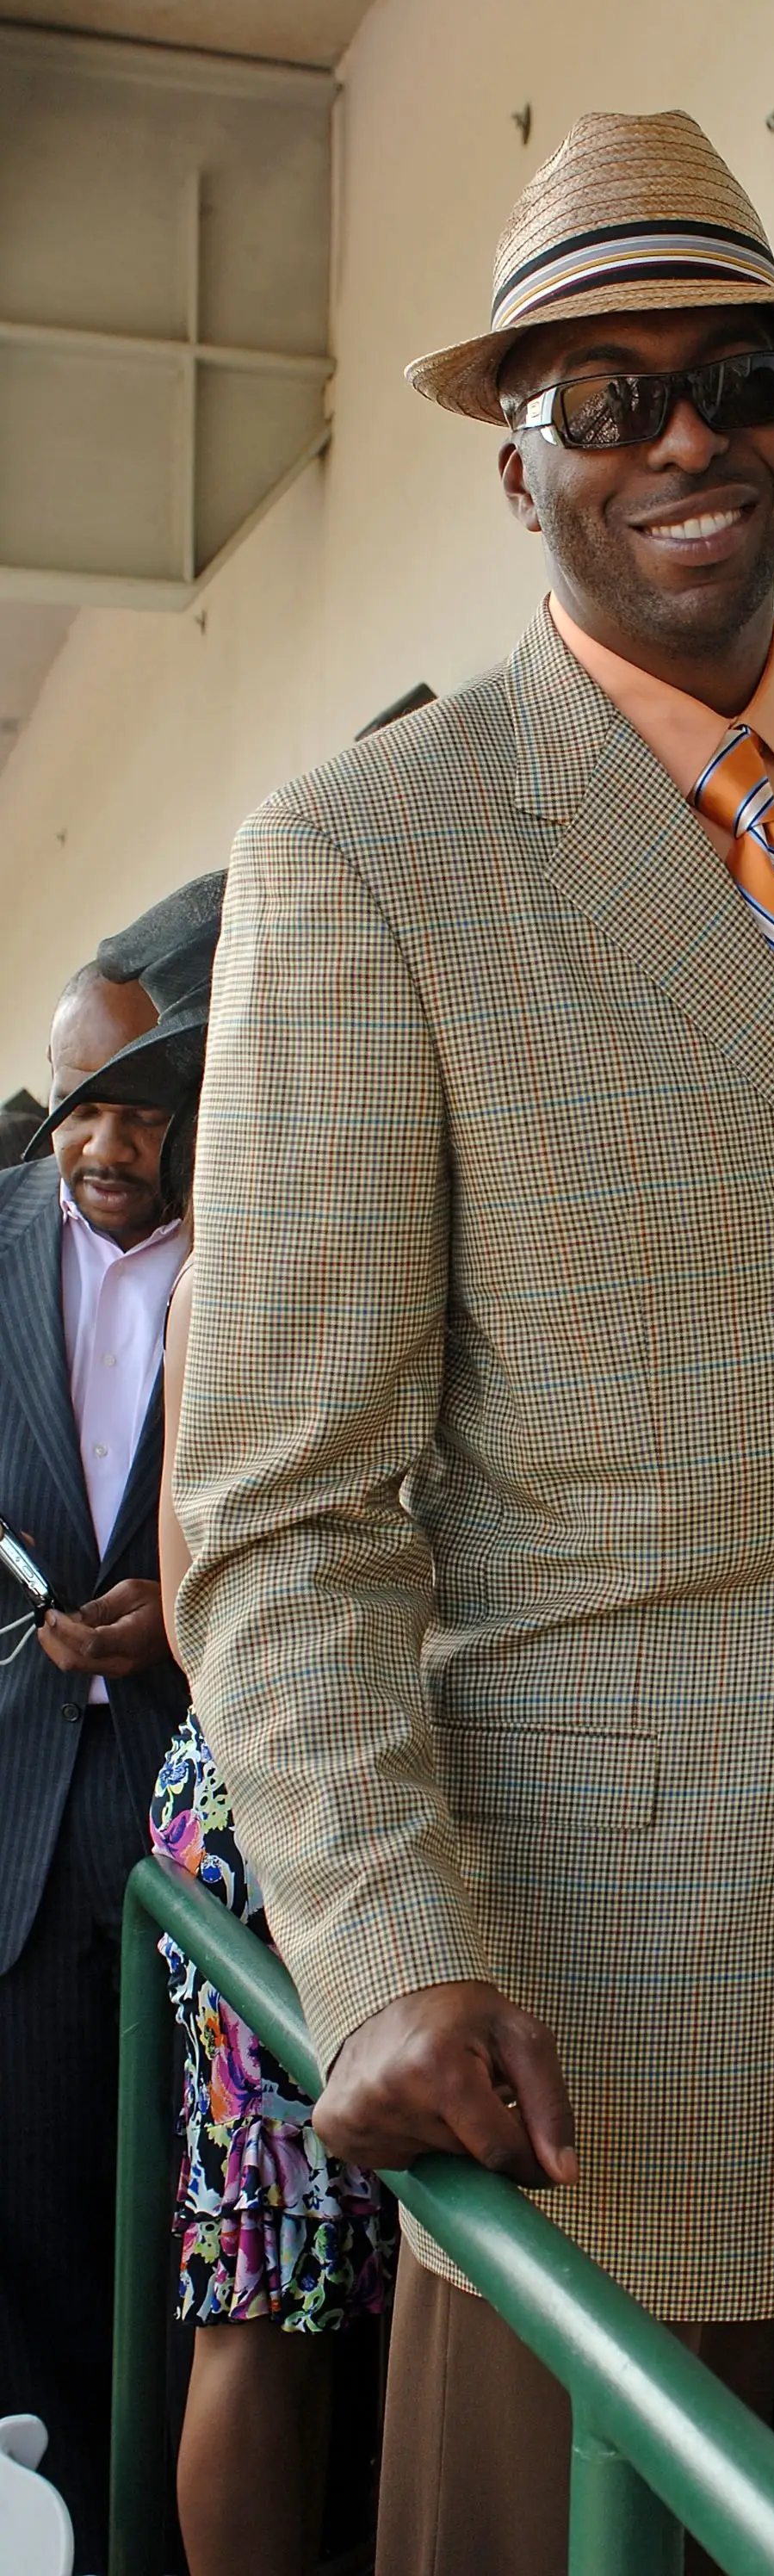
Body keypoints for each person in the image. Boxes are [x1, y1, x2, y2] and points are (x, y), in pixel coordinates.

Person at [173, 108, 774, 2575]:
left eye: (739, 379)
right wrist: (380, 1952)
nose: (689, 440)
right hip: (598, 2010)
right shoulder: (371, 854)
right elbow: (277, 1506)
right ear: (515, 458)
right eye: (608, 399)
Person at [65, 874, 394, 2576]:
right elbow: (212, 1595)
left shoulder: (245, 1239)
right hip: (283, 1801)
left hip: (271, 1780)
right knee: (261, 2299)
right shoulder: (264, 1246)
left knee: (283, 2299)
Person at [0, 957, 190, 2565]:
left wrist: (185, 1613)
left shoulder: (268, 1246)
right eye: (78, 1110)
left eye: (137, 1106)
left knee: (198, 2245)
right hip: (16, 1817)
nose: (105, 1143)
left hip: (204, 1833)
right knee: (38, 2222)